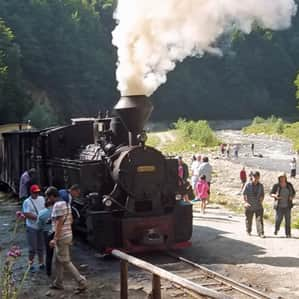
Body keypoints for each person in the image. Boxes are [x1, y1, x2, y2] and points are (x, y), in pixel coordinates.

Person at [50, 195, 87, 291]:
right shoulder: (67, 204)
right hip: (67, 235)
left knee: (65, 261)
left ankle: (81, 281)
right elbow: (71, 220)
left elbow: (59, 223)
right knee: (57, 260)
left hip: (61, 237)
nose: (48, 200)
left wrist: (55, 238)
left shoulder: (57, 205)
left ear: (52, 196)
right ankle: (58, 283)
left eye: (48, 197)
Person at [22, 184, 45, 271]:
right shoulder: (27, 202)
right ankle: (30, 264)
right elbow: (26, 214)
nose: (36, 194)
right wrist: (39, 217)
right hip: (32, 227)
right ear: (31, 192)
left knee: (41, 246)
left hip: (40, 226)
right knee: (32, 248)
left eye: (38, 192)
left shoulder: (42, 199)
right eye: (35, 192)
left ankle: (41, 263)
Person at [37, 186, 59, 276]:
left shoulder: (41, 213)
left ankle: (48, 272)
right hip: (58, 232)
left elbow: (39, 225)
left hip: (47, 233)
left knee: (49, 254)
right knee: (59, 253)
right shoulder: (58, 211)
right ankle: (60, 271)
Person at [270, 173, 295, 238]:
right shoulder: (276, 185)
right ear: (279, 178)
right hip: (279, 206)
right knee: (278, 220)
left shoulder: (289, 185)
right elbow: (271, 193)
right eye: (281, 177)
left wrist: (291, 197)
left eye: (283, 177)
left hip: (288, 206)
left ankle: (288, 234)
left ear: (285, 177)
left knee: (288, 220)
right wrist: (275, 196)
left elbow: (294, 193)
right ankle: (276, 229)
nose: (282, 178)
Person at [243, 171, 265, 238]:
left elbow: (262, 194)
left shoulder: (261, 186)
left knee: (259, 220)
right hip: (250, 205)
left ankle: (261, 233)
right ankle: (248, 231)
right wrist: (246, 202)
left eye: (257, 177)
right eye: (254, 177)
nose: (255, 178)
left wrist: (261, 199)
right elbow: (244, 194)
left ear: (259, 177)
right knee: (249, 220)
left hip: (258, 206)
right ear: (252, 177)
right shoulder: (248, 185)